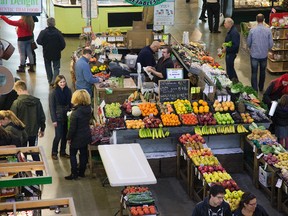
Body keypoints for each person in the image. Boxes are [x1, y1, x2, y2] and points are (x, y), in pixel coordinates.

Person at [10, 80, 46, 174]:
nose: (17, 94)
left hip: (21, 134)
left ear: (20, 90)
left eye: (17, 91)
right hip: (34, 132)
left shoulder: (16, 103)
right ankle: (40, 173)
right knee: (34, 151)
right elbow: (42, 116)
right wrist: (42, 129)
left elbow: (13, 119)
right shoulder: (37, 102)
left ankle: (25, 174)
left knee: (22, 153)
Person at [65, 89, 92, 180]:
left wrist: (68, 138)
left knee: (73, 154)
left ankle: (74, 173)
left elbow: (72, 128)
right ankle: (81, 172)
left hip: (76, 137)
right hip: (86, 135)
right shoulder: (88, 109)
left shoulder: (75, 114)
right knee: (83, 154)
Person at [247, 13, 273, 92]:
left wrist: (252, 47)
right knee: (262, 72)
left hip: (254, 55)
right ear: (264, 20)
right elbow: (271, 44)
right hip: (264, 55)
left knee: (254, 72)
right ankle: (261, 87)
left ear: (256, 20)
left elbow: (248, 43)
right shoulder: (268, 30)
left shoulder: (252, 30)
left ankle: (255, 89)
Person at [37, 17, 66, 86]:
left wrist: (44, 45)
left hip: (46, 52)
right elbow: (63, 44)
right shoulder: (58, 33)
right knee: (56, 67)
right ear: (54, 23)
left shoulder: (43, 32)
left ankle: (50, 80)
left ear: (47, 23)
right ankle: (54, 81)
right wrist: (59, 49)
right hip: (56, 53)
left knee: (48, 67)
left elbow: (38, 41)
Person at [49, 75, 72, 160]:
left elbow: (70, 103)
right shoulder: (53, 93)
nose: (63, 83)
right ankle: (54, 152)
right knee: (58, 135)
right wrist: (54, 120)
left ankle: (63, 152)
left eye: (64, 82)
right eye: (61, 82)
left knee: (65, 136)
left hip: (67, 115)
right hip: (58, 117)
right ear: (57, 83)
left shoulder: (68, 91)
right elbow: (52, 107)